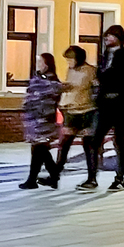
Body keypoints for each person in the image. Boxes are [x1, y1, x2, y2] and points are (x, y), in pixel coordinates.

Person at [83, 24, 124, 192]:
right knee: (94, 140)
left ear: (118, 37)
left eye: (109, 36)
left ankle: (119, 178)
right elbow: (101, 77)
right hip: (103, 104)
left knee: (118, 141)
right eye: (105, 36)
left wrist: (108, 78)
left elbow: (122, 78)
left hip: (119, 104)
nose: (106, 39)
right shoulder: (104, 56)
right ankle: (92, 178)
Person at [19, 52, 65, 189]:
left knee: (39, 149)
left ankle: (40, 178)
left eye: (41, 62)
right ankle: (49, 177)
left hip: (43, 120)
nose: (38, 65)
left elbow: (47, 96)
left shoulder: (49, 81)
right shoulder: (41, 79)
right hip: (37, 119)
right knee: (40, 150)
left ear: (47, 64)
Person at [58, 45, 97, 183]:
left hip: (86, 111)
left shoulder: (91, 71)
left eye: (71, 59)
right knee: (64, 143)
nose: (69, 63)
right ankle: (55, 174)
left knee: (88, 145)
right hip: (71, 110)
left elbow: (94, 88)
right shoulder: (70, 70)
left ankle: (91, 178)